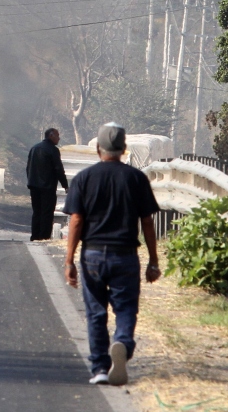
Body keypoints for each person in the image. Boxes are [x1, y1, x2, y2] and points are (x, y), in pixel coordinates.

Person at [62, 122, 161, 386]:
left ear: (98, 149)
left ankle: (100, 369)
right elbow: (148, 223)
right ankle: (122, 342)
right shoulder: (136, 178)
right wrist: (153, 260)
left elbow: (76, 221)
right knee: (126, 307)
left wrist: (69, 260)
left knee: (96, 311)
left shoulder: (84, 178)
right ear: (124, 149)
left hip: (92, 254)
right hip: (125, 255)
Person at [25, 128, 68, 241]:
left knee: (37, 211)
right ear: (51, 135)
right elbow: (58, 169)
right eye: (57, 135)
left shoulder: (34, 148)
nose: (59, 138)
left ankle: (35, 235)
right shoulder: (53, 150)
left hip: (34, 186)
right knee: (47, 212)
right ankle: (43, 236)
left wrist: (30, 181)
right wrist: (65, 185)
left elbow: (28, 168)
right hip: (47, 187)